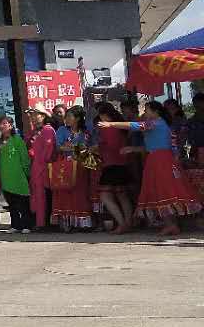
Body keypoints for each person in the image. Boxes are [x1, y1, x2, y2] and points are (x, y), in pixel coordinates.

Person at [98, 100, 200, 237]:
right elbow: (151, 146)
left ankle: (171, 224)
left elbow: (136, 126)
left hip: (160, 162)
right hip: (158, 159)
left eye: (146, 110)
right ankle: (171, 225)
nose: (145, 113)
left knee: (162, 191)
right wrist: (132, 148)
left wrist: (112, 124)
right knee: (161, 191)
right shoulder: (159, 124)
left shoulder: (156, 123)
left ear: (155, 112)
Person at [51, 107, 95, 231]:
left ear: (78, 118)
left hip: (83, 165)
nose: (66, 119)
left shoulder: (85, 131)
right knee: (66, 192)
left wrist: (72, 147)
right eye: (66, 116)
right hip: (67, 165)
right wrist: (77, 148)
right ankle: (68, 223)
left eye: (69, 116)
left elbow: (89, 147)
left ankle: (83, 223)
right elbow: (58, 147)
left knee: (81, 192)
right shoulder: (62, 130)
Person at [93, 104, 134, 234]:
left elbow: (110, 146)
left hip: (111, 164)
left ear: (105, 116)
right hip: (122, 163)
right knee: (122, 196)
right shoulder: (120, 127)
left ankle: (121, 223)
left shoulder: (107, 129)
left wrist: (98, 147)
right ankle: (128, 223)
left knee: (105, 196)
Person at [0, 116, 33, 232]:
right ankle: (15, 225)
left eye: (4, 123)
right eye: (0, 124)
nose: (1, 126)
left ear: (11, 125)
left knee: (23, 202)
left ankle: (26, 225)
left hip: (18, 176)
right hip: (5, 177)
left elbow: (25, 158)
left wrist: (27, 173)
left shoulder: (17, 140)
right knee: (11, 203)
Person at [25, 107, 56, 232]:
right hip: (36, 167)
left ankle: (44, 223)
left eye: (35, 114)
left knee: (43, 196)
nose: (32, 117)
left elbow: (48, 151)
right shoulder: (36, 131)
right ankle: (39, 222)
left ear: (43, 116)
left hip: (43, 168)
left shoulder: (47, 130)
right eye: (31, 115)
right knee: (37, 196)